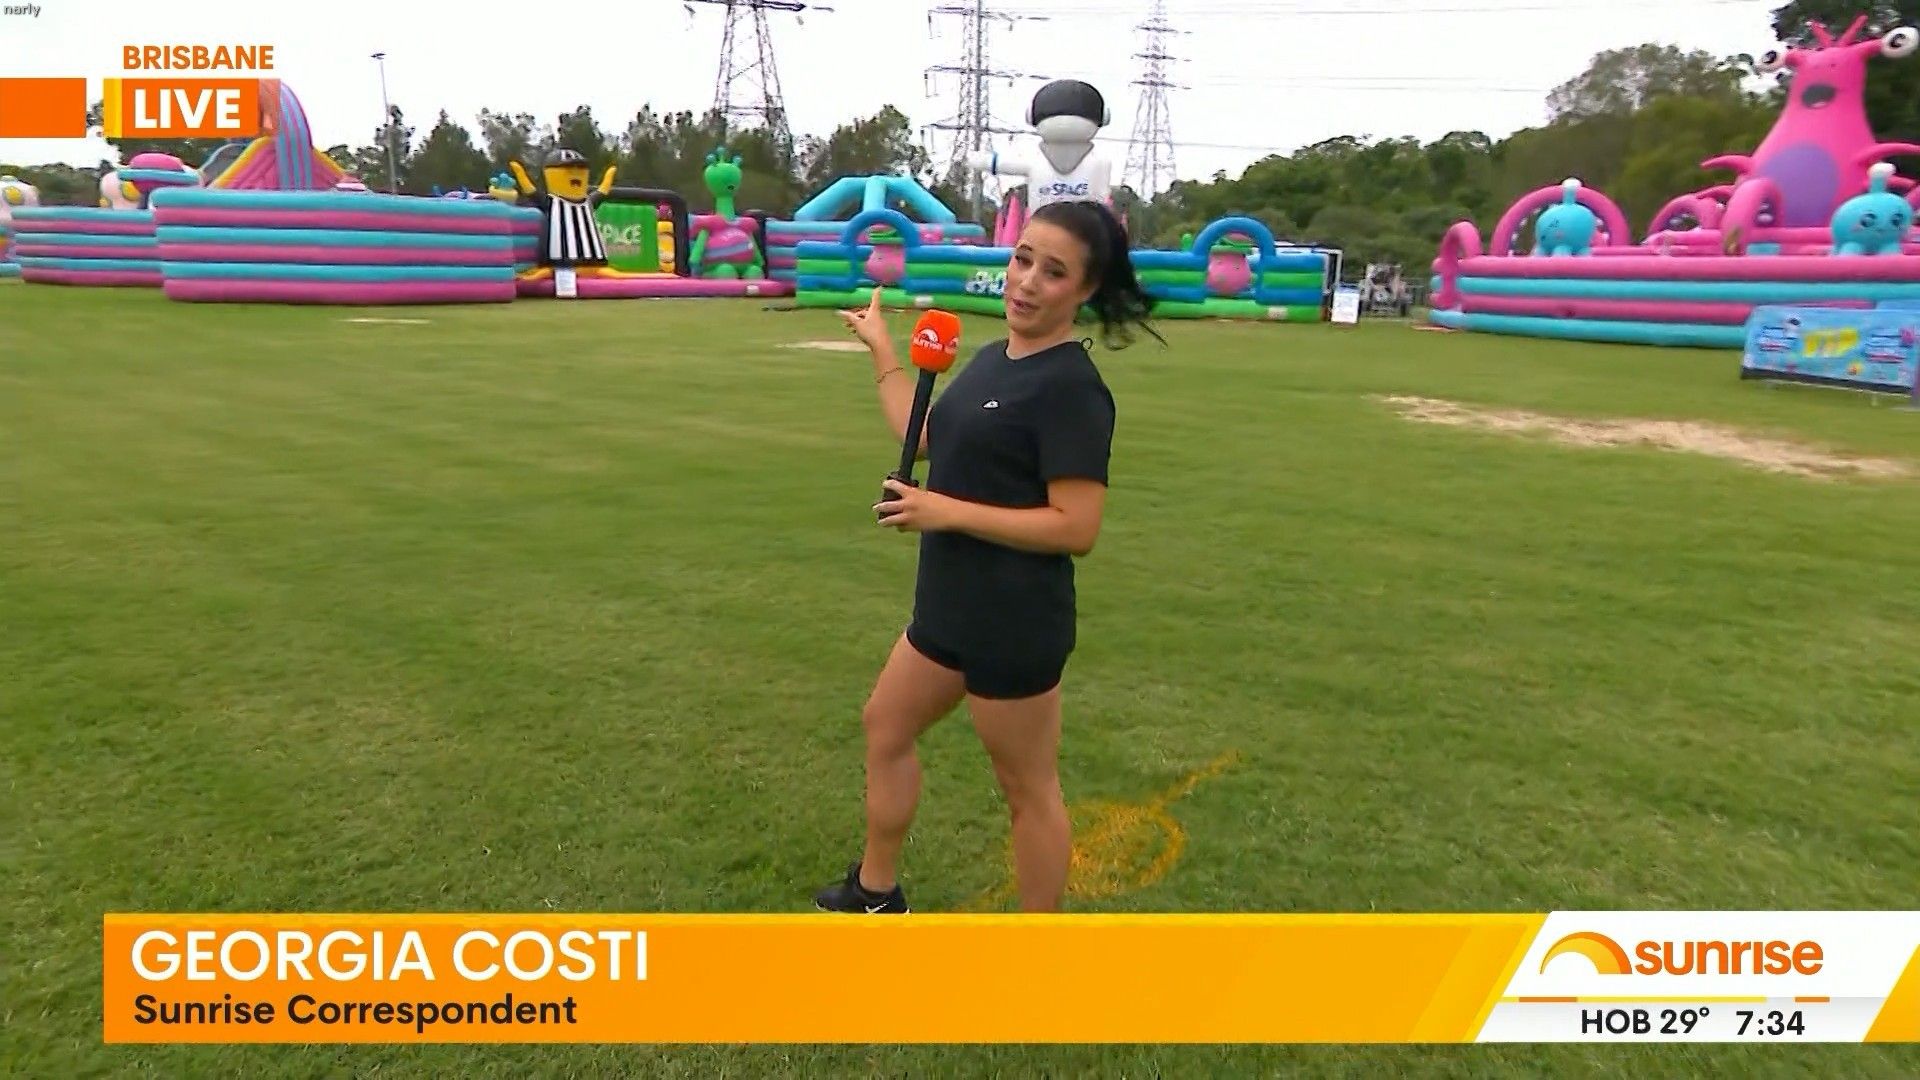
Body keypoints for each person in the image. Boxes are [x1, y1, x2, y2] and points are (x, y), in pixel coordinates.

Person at [814, 199, 1160, 914]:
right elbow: (926, 440)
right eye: (1022, 259)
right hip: (948, 608)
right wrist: (882, 348)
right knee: (886, 725)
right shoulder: (992, 359)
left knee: (1026, 788)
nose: (1027, 281)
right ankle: (876, 891)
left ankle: (1032, 952)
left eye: (1053, 272)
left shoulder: (1071, 389)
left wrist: (943, 511)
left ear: (1086, 289)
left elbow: (1076, 526)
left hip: (1014, 621)